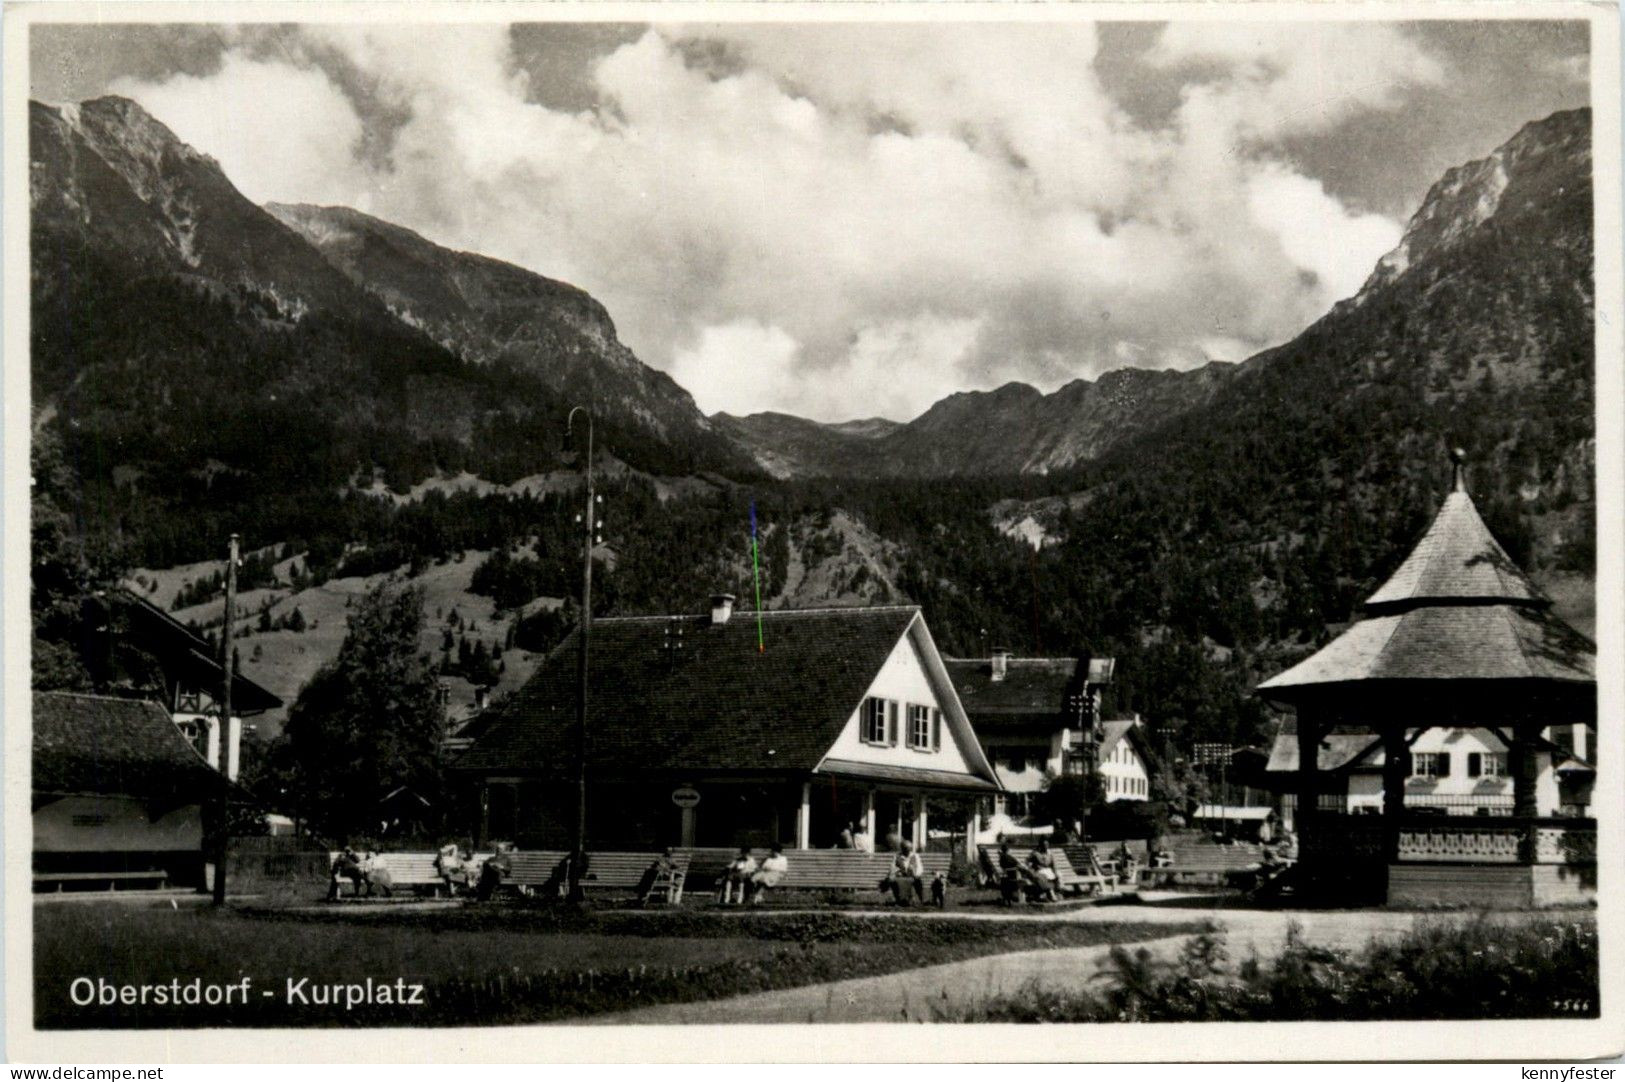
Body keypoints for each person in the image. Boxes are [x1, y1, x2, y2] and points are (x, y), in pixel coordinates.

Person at [887, 840, 926, 905]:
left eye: (908, 849)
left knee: (918, 881)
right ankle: (898, 899)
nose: (906, 850)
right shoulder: (897, 856)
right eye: (905, 849)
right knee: (892, 881)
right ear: (902, 848)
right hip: (901, 876)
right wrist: (896, 872)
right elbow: (892, 867)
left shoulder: (915, 856)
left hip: (912, 876)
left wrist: (916, 873)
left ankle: (920, 899)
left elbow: (919, 867)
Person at [996, 841, 1023, 906]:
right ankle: (1016, 899)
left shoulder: (1002, 857)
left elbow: (1002, 865)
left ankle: (1007, 899)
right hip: (1013, 875)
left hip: (1006, 876)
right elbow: (1018, 864)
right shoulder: (1009, 857)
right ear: (1008, 850)